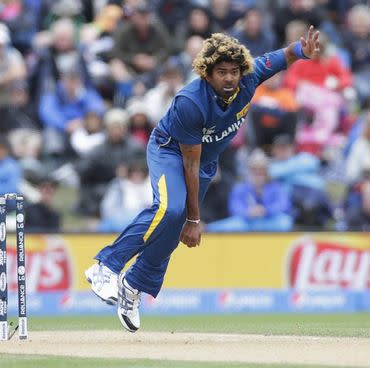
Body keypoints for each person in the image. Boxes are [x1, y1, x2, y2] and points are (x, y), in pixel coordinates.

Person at [85, 26, 321, 332]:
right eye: (221, 72)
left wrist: (303, 51)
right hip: (171, 152)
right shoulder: (190, 101)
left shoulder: (251, 76)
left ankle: (134, 285)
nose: (229, 78)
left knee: (172, 232)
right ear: (206, 73)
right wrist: (194, 220)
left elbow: (286, 55)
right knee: (171, 210)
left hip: (204, 162)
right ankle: (107, 265)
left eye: (234, 72)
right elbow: (189, 164)